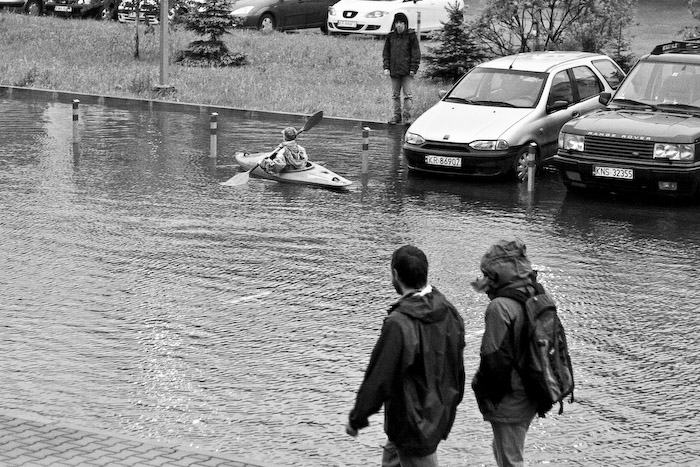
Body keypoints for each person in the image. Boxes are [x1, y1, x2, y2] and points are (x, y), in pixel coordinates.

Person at [346, 245, 465, 467]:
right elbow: (457, 365)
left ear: (395, 275)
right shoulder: (449, 311)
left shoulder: (399, 324)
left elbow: (380, 376)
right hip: (436, 412)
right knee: (393, 458)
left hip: (412, 422)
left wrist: (357, 418)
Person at [471, 238, 540, 467]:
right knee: (504, 452)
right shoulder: (534, 293)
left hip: (510, 399)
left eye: (487, 275)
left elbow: (493, 360)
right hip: (531, 392)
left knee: (511, 460)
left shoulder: (500, 307)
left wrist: (481, 391)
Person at [383, 13, 421, 125]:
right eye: (397, 23)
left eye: (401, 23)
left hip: (407, 71)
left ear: (405, 24)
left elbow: (416, 53)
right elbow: (386, 53)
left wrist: (413, 68)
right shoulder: (390, 37)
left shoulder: (411, 36)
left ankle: (407, 117)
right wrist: (386, 67)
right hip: (394, 71)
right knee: (395, 95)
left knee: (407, 95)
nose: (399, 25)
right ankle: (396, 116)